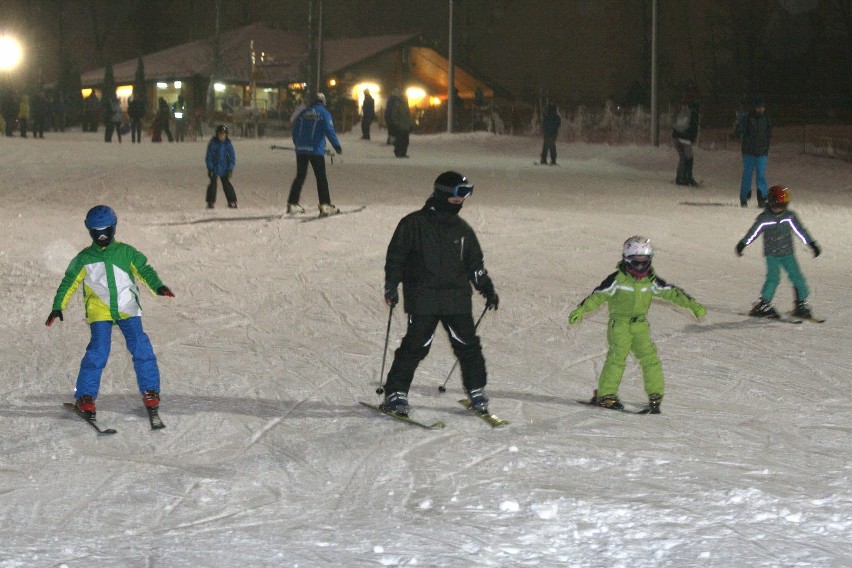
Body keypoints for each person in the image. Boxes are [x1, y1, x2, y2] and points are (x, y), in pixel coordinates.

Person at [380, 171, 500, 417]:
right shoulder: (413, 224)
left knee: (468, 346)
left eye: (464, 197)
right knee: (416, 345)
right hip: (423, 297)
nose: (461, 202)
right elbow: (396, 258)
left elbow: (475, 265)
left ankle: (476, 390)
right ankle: (396, 393)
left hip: (456, 299)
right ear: (444, 194)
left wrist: (486, 287)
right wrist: (391, 285)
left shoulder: (462, 230)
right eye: (458, 196)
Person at [45, 205, 175, 419]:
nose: (102, 235)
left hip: (127, 307)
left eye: (106, 230)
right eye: (97, 231)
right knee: (98, 350)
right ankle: (85, 396)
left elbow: (144, 269)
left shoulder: (126, 252)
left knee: (141, 346)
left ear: (114, 228)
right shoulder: (84, 258)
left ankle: (151, 391)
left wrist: (157, 285)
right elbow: (68, 282)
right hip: (100, 311)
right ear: (90, 231)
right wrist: (58, 305)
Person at [568, 236, 706, 414]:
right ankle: (606, 394)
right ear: (626, 261)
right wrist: (582, 309)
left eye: (644, 262)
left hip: (640, 325)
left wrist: (692, 305)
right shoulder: (617, 279)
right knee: (617, 358)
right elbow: (599, 295)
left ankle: (655, 394)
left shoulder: (650, 280)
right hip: (620, 325)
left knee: (650, 359)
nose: (640, 267)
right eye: (636, 263)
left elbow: (672, 293)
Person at [735, 185, 821, 319]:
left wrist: (811, 244)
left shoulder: (789, 217)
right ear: (772, 202)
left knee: (797, 277)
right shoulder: (764, 218)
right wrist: (743, 244)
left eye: (784, 204)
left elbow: (800, 231)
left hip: (787, 253)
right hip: (772, 255)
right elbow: (753, 232)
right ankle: (763, 304)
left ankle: (801, 303)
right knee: (773, 278)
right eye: (778, 204)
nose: (781, 208)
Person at [286, 93, 343, 217]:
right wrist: (336, 145)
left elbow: (295, 130)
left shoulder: (303, 113)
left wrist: (298, 144)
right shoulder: (324, 113)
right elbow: (329, 130)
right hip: (315, 150)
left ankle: (292, 203)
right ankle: (325, 204)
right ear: (323, 102)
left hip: (301, 150)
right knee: (321, 177)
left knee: (300, 176)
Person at [739, 96, 772, 208]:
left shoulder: (766, 119)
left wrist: (766, 149)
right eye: (759, 107)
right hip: (749, 152)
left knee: (761, 175)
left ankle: (762, 198)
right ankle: (744, 197)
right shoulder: (748, 118)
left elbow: (768, 135)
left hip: (761, 152)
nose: (761, 109)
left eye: (763, 107)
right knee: (747, 175)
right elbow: (741, 132)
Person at [205, 124, 237, 209]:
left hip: (224, 168)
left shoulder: (228, 144)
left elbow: (232, 158)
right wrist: (210, 168)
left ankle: (232, 201)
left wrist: (230, 169)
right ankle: (210, 202)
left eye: (223, 135)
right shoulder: (213, 144)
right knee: (213, 185)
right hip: (215, 168)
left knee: (227, 185)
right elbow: (209, 157)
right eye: (220, 134)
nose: (221, 136)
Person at [672, 100, 701, 186]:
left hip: (676, 136)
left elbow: (675, 122)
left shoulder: (683, 112)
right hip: (684, 138)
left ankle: (680, 177)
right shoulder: (694, 114)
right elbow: (693, 128)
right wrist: (692, 139)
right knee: (689, 157)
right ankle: (687, 177)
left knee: (683, 157)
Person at [391, 93, 411, 158]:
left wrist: (410, 124)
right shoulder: (397, 105)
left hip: (406, 126)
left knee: (406, 141)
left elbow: (408, 116)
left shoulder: (406, 105)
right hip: (399, 126)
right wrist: (397, 123)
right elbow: (394, 116)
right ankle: (398, 152)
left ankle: (403, 153)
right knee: (399, 140)